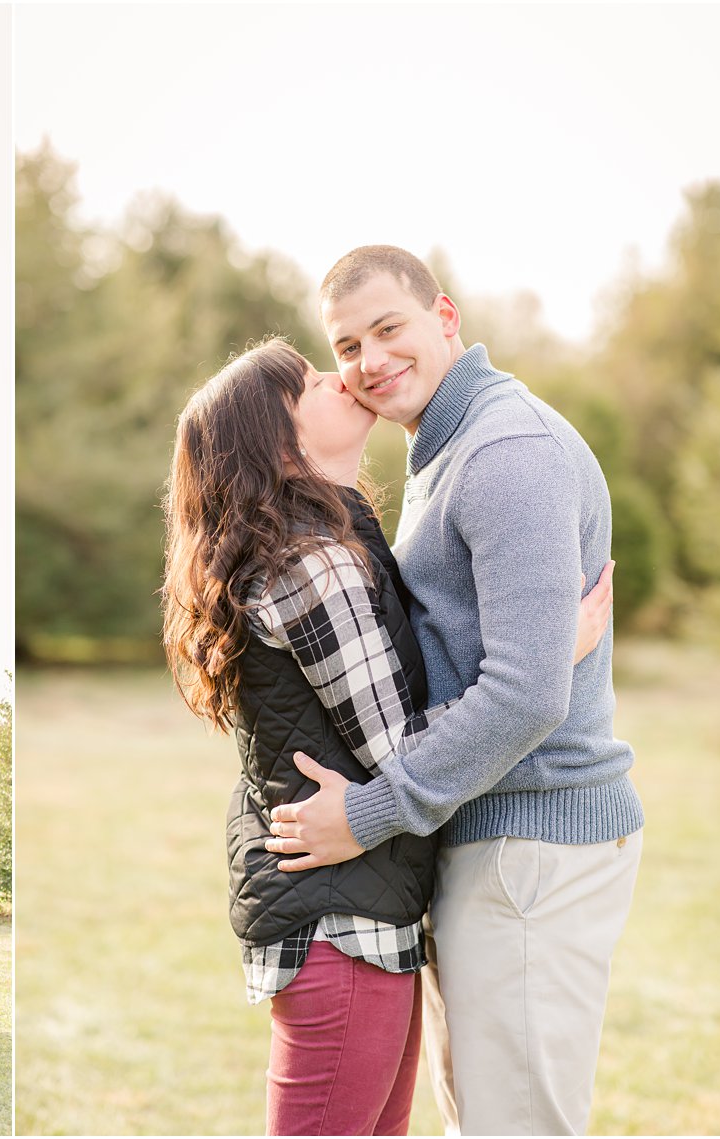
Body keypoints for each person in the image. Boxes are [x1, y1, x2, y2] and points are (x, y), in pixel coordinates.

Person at [161, 339, 612, 1135]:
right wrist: (550, 659)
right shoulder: (312, 564)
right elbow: (401, 750)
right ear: (279, 440)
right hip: (343, 926)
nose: (343, 377)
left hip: (362, 914)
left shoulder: (334, 539)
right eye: (311, 381)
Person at [267, 246, 644, 1136]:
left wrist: (366, 812)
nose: (369, 360)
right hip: (489, 835)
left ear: (445, 318)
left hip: (532, 842)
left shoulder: (504, 451)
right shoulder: (446, 448)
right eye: (348, 343)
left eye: (389, 328)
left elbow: (523, 694)